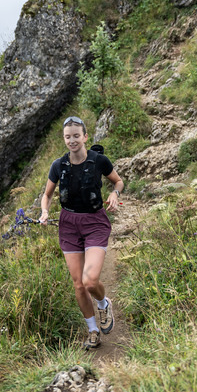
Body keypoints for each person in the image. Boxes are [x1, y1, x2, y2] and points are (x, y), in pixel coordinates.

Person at [40, 116, 124, 350]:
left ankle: (103, 303)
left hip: (95, 222)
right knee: (78, 284)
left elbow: (118, 182)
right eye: (68, 137)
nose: (72, 140)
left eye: (77, 135)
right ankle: (93, 330)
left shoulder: (99, 160)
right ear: (64, 139)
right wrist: (45, 212)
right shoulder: (58, 166)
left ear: (85, 137)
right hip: (68, 224)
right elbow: (46, 195)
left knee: (90, 280)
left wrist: (115, 194)